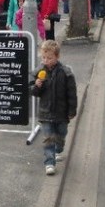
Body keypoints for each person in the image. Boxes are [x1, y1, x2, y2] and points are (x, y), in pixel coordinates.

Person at [31, 40, 77, 176]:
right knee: (48, 137)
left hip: (62, 112)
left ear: (57, 57)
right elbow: (32, 91)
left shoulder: (66, 73)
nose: (46, 61)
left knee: (61, 134)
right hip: (46, 112)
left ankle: (58, 149)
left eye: (49, 58)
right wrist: (36, 86)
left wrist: (72, 111)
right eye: (43, 57)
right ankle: (49, 162)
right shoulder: (38, 71)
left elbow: (72, 94)